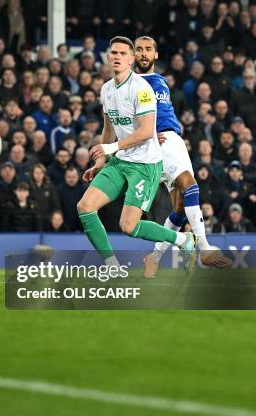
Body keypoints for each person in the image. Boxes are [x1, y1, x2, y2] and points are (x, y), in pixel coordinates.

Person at [76, 37, 196, 268]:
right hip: (120, 162)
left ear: (131, 59)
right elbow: (109, 127)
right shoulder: (106, 89)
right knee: (85, 207)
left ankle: (182, 238)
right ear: (109, 58)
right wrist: (101, 160)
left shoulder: (142, 89)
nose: (118, 57)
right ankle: (112, 266)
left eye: (123, 53)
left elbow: (146, 131)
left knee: (129, 227)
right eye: (114, 53)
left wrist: (110, 148)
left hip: (145, 164)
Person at [133, 36, 231, 276]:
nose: (144, 53)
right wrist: (148, 134)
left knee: (179, 208)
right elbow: (124, 119)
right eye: (139, 50)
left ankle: (154, 257)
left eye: (148, 49)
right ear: (133, 55)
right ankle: (205, 247)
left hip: (172, 139)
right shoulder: (130, 84)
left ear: (156, 54)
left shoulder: (160, 80)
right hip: (160, 141)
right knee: (190, 186)